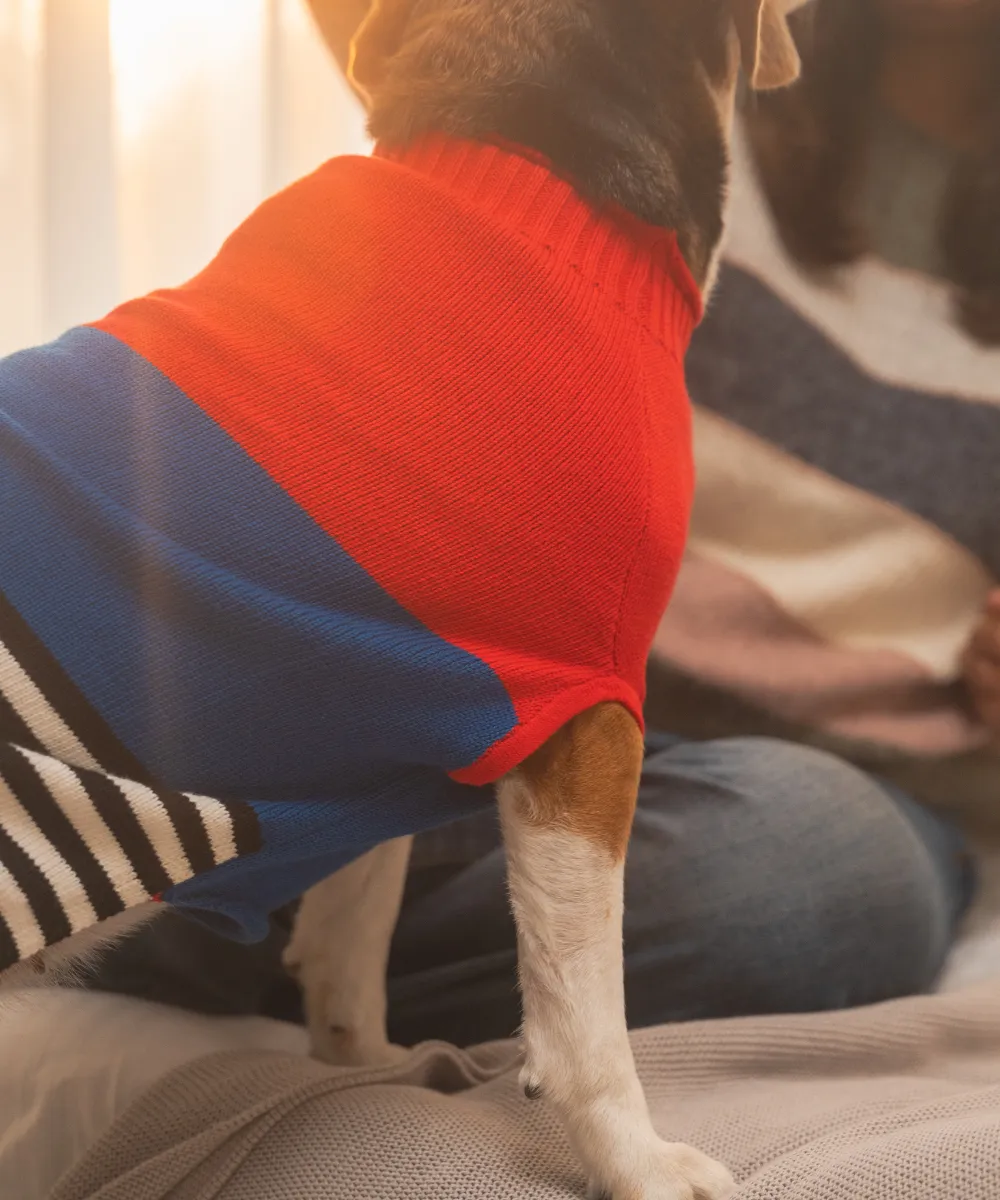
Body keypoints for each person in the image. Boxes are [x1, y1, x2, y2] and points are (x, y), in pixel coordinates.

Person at [68, 0, 996, 1049]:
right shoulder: (681, 54)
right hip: (482, 685)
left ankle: (159, 922)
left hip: (809, 781)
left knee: (817, 869)